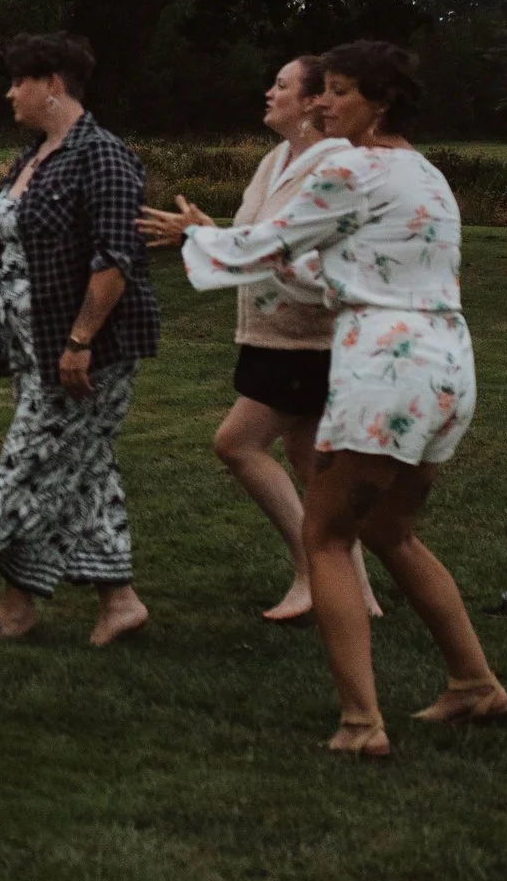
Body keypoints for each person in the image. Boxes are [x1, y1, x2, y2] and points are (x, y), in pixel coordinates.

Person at [169, 41, 503, 756]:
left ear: (380, 102)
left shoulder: (348, 165)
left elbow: (270, 240)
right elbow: (316, 268)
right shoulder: (426, 172)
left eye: (340, 91)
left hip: (387, 364)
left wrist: (198, 235)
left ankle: (360, 723)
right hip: (447, 363)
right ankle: (474, 682)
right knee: (391, 530)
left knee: (327, 536)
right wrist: (236, 246)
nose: (323, 101)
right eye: (323, 90)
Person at [0, 32, 159, 648]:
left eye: (20, 80)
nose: (9, 91)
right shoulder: (33, 156)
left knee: (26, 468)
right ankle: (120, 602)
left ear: (54, 85)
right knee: (85, 470)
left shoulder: (102, 156)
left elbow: (115, 257)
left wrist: (80, 341)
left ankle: (15, 608)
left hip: (86, 353)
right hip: (31, 347)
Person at [139, 56, 382, 622]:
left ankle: (310, 573)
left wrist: (208, 239)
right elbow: (258, 240)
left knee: (237, 443)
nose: (268, 92)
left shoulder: (334, 165)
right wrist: (209, 233)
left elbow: (304, 257)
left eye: (281, 85)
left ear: (312, 102)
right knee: (307, 460)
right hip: (272, 334)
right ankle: (357, 593)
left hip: (309, 339)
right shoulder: (276, 160)